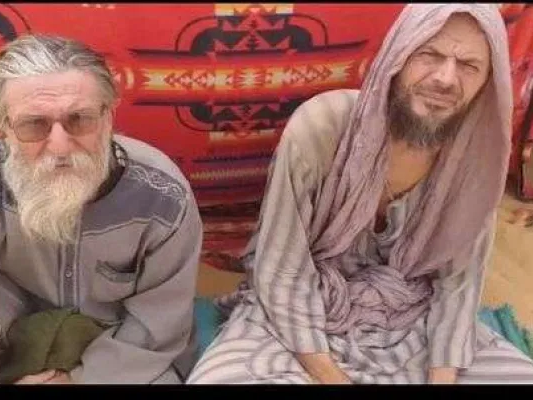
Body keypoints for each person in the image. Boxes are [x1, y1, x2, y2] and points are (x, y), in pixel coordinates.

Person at [187, 4, 533, 384]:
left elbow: (457, 288)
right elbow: (282, 269)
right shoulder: (322, 127)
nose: (446, 78)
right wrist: (331, 376)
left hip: (413, 319)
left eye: (468, 65)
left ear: (487, 82)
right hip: (302, 315)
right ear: (397, 56)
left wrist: (442, 379)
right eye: (429, 54)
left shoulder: (476, 162)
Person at [0, 34, 203, 384]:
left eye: (79, 119)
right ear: (4, 129)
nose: (59, 146)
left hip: (116, 340)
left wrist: (78, 380)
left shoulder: (164, 196)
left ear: (108, 117)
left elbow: (160, 323)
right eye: (34, 124)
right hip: (15, 323)